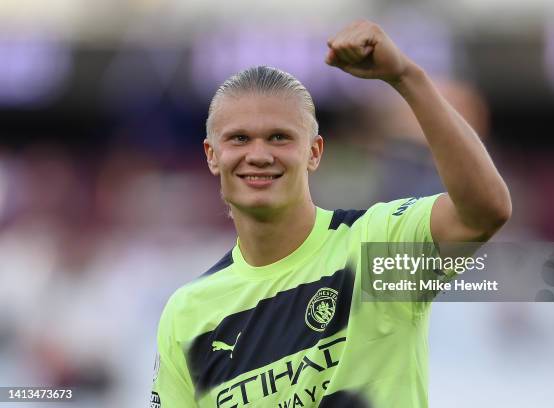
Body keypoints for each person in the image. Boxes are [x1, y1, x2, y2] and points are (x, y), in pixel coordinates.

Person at [150, 19, 511, 408]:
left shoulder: (375, 249)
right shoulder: (188, 314)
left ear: (314, 152)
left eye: (279, 137)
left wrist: (406, 77)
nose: (258, 154)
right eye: (239, 138)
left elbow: (484, 211)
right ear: (212, 156)